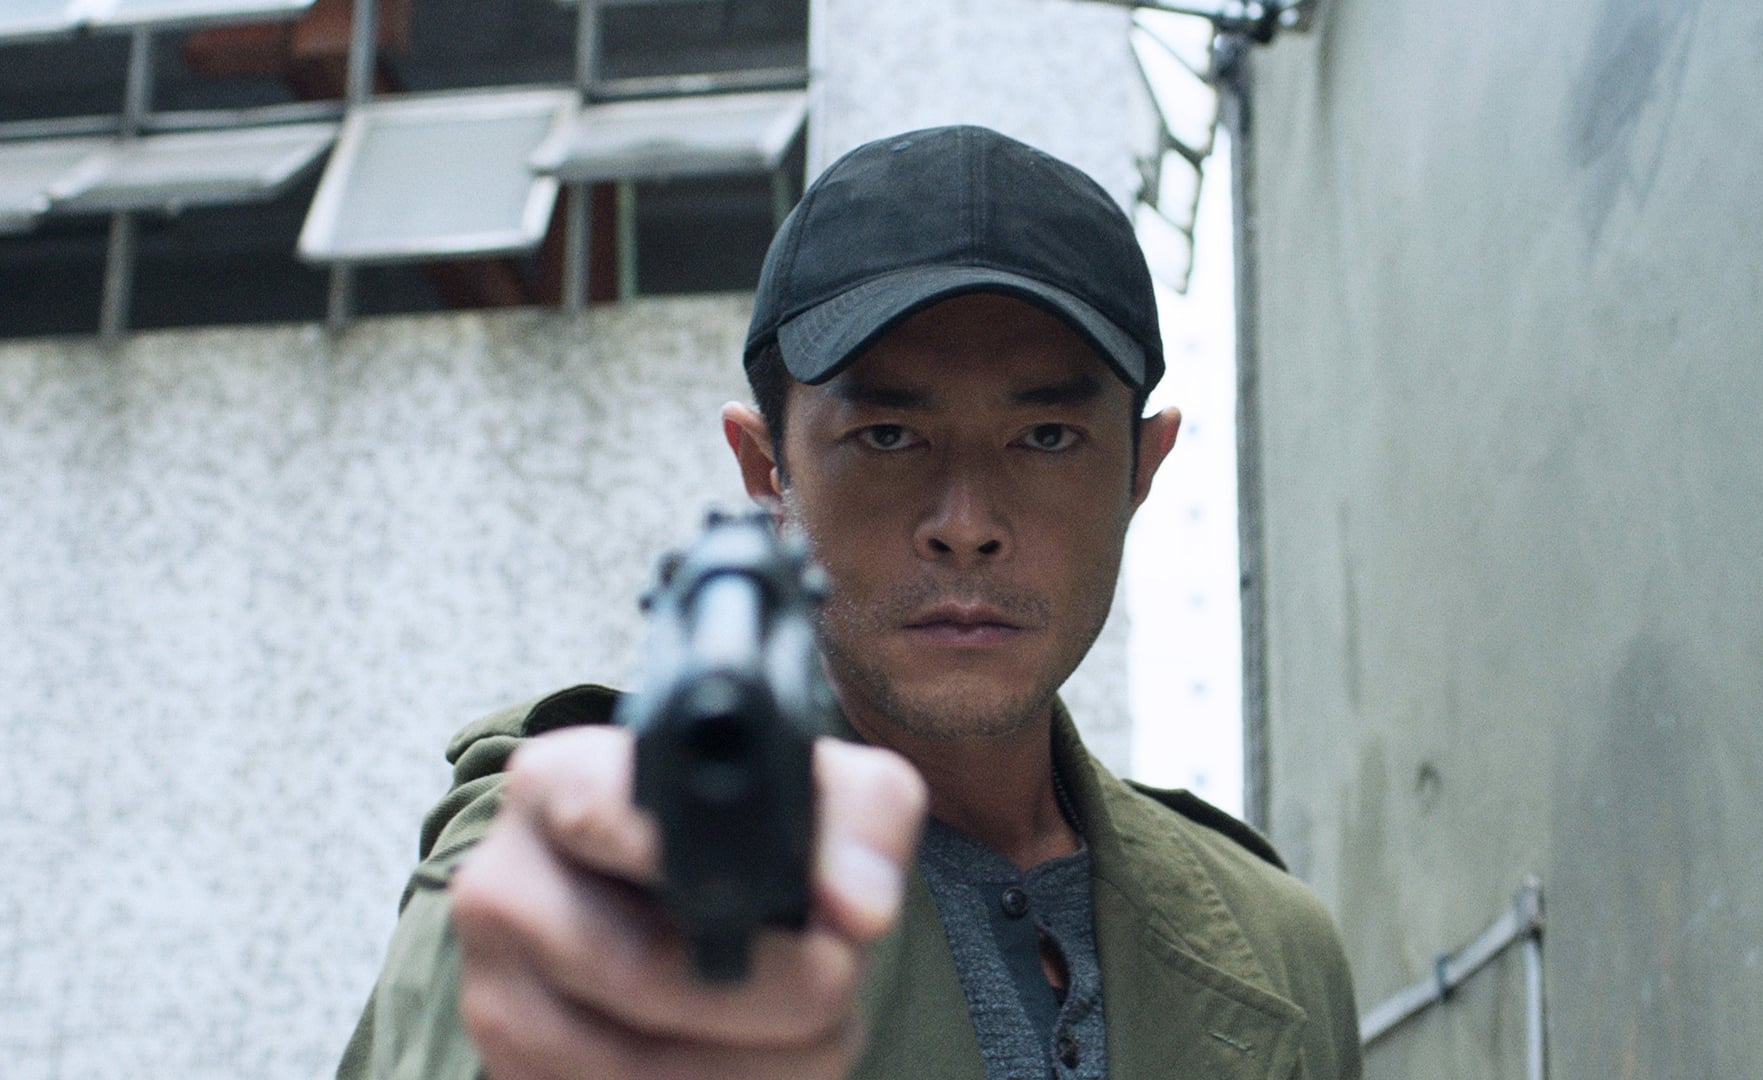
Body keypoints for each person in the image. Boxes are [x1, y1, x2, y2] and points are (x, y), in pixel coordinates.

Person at [337, 124, 1361, 1080]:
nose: (967, 524)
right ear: (765, 468)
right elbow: (505, 955)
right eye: (888, 436)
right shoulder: (611, 838)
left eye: (1047, 437)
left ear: (1143, 466)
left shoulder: (1276, 941)